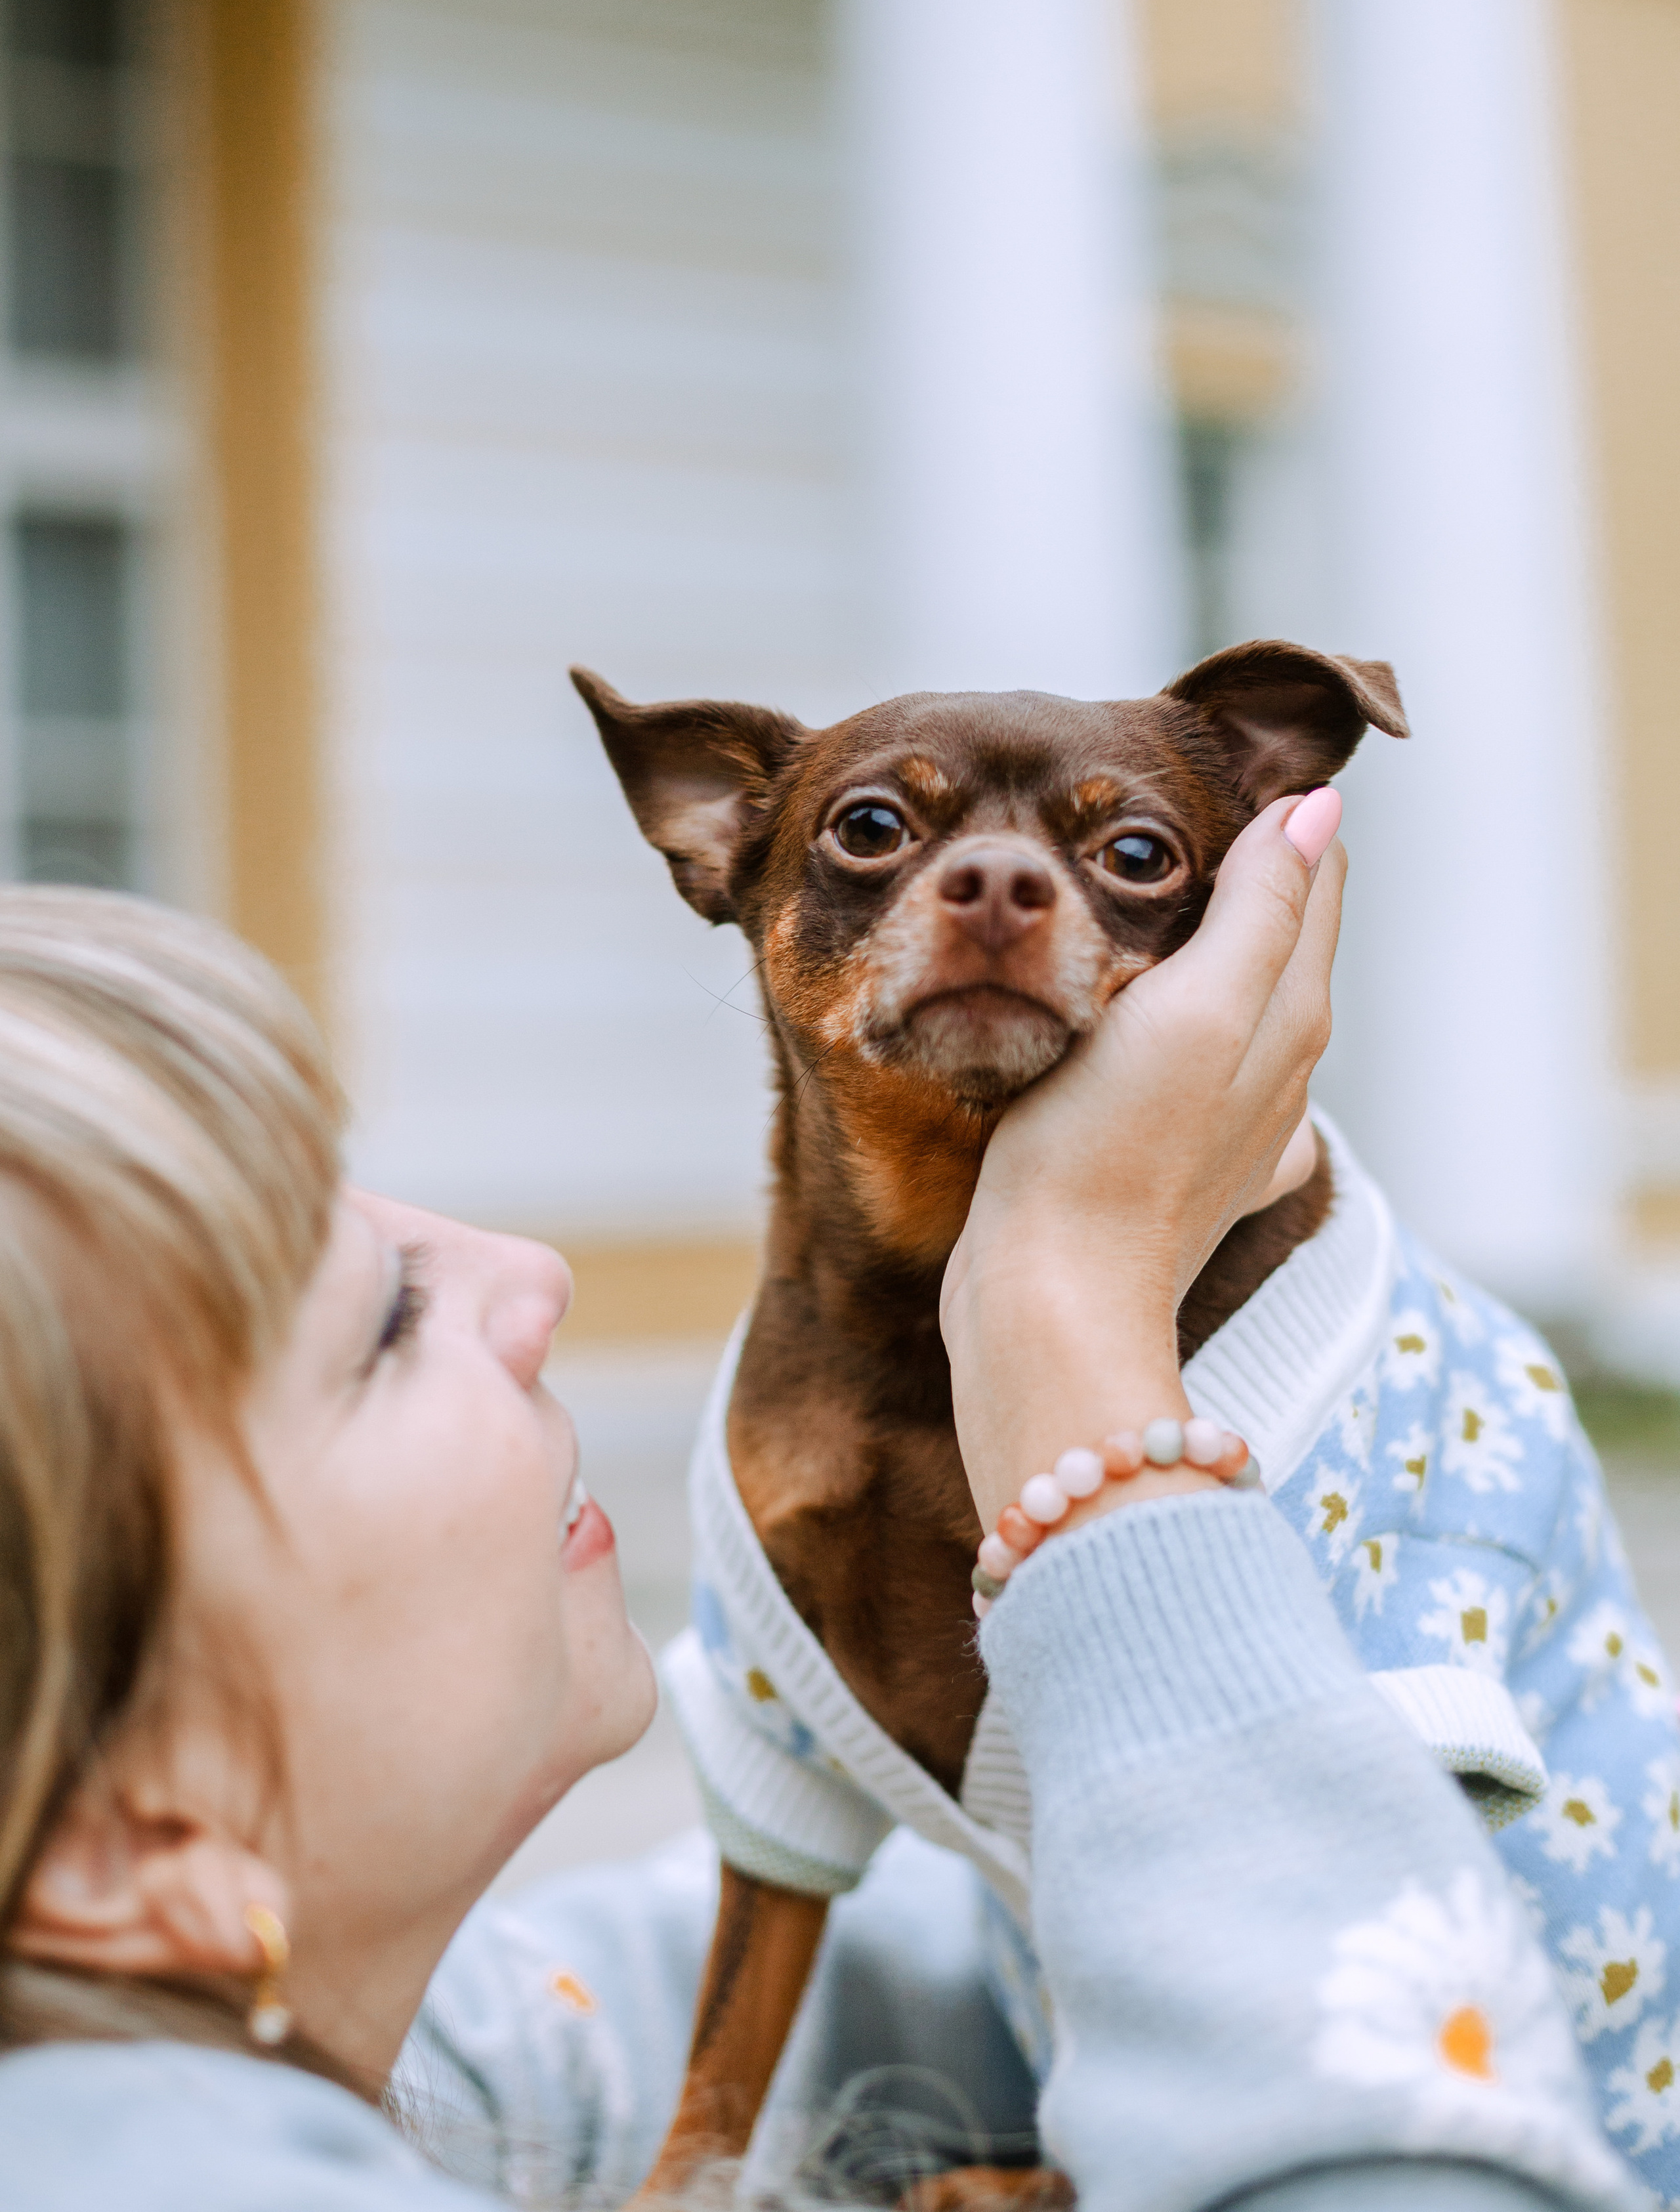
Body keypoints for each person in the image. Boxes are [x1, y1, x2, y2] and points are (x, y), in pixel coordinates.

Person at [0, 806, 1636, 2211]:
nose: (531, 1274)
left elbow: (856, 1945)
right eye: (378, 1322)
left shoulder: (357, 2047)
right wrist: (1080, 1350)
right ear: (144, 1842)